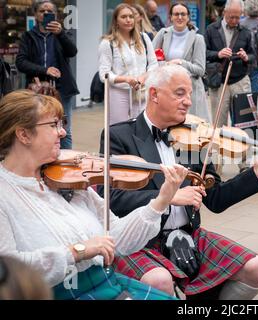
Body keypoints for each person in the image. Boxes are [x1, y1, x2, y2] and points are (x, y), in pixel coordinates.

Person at [100, 64, 258, 300]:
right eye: (179, 93)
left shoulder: (194, 138)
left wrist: (257, 170)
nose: (187, 101)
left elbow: (216, 199)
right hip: (140, 240)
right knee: (159, 281)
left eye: (189, 94)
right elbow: (112, 200)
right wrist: (169, 197)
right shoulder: (119, 136)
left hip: (188, 235)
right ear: (154, 94)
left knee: (255, 268)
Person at [0, 90, 188, 300]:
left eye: (61, 124)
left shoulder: (68, 178)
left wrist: (161, 201)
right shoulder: (4, 193)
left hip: (105, 283)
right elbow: (8, 271)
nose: (63, 133)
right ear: (23, 134)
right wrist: (76, 251)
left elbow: (119, 238)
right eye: (53, 125)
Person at [16, 0, 79, 150]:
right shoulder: (28, 36)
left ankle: (65, 165)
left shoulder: (62, 34)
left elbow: (72, 52)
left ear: (55, 15)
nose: (45, 14)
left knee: (64, 130)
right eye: (42, 11)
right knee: (36, 127)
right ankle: (41, 159)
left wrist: (61, 34)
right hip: (36, 89)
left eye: (49, 11)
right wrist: (45, 70)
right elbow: (21, 62)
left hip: (61, 89)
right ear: (36, 15)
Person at [98, 3, 158, 125]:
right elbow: (104, 74)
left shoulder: (144, 38)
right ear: (116, 21)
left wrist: (142, 78)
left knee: (143, 128)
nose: (128, 20)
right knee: (119, 129)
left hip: (141, 91)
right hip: (118, 93)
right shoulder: (108, 43)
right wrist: (125, 79)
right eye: (124, 17)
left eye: (131, 16)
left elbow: (153, 64)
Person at [152, 2, 211, 122]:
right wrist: (166, 65)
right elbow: (151, 61)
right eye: (176, 14)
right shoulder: (163, 34)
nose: (179, 17)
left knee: (191, 129)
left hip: (191, 93)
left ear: (188, 17)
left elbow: (200, 70)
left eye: (183, 14)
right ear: (171, 17)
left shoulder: (197, 39)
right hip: (168, 90)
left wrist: (181, 63)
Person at [205, 0, 255, 127]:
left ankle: (242, 146)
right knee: (218, 123)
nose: (234, 20)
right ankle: (220, 147)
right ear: (224, 12)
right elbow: (203, 53)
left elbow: (253, 55)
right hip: (219, 82)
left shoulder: (246, 31)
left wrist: (245, 56)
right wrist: (218, 54)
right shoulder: (211, 29)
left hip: (240, 80)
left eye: (238, 17)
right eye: (231, 17)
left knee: (244, 122)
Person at [240, 0, 258, 93]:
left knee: (240, 100)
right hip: (256, 67)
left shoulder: (240, 24)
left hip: (240, 66)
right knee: (256, 99)